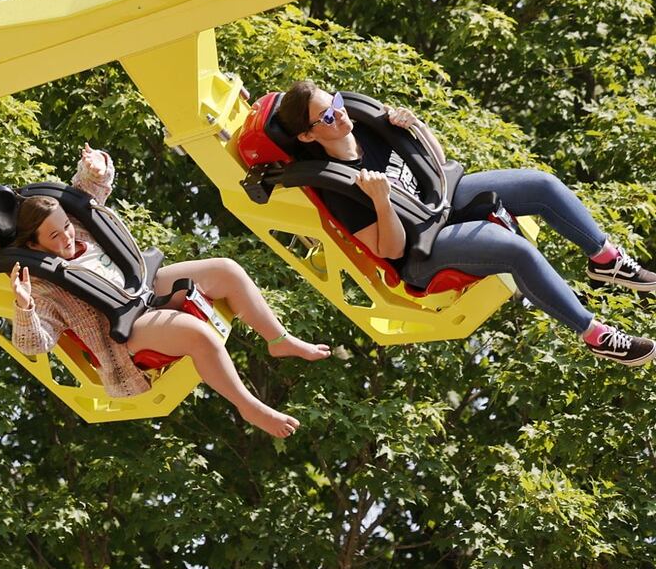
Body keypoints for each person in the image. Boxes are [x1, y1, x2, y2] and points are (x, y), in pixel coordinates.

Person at [275, 81, 656, 365]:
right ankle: (597, 335)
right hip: (420, 248)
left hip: (438, 201)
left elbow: (435, 167)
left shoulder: (368, 129)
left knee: (541, 184)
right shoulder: (339, 185)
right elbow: (390, 249)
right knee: (515, 250)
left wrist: (416, 127)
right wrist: (380, 201)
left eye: (336, 103)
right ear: (309, 135)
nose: (340, 114)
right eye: (327, 116)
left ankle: (606, 260)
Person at [11, 145, 329, 438]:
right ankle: (248, 406)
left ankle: (278, 339)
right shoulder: (42, 286)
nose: (66, 237)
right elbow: (34, 344)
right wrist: (24, 307)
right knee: (197, 333)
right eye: (54, 236)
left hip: (144, 287)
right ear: (34, 245)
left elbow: (91, 186)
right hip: (122, 331)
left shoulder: (77, 229)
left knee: (226, 270)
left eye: (65, 226)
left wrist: (95, 166)